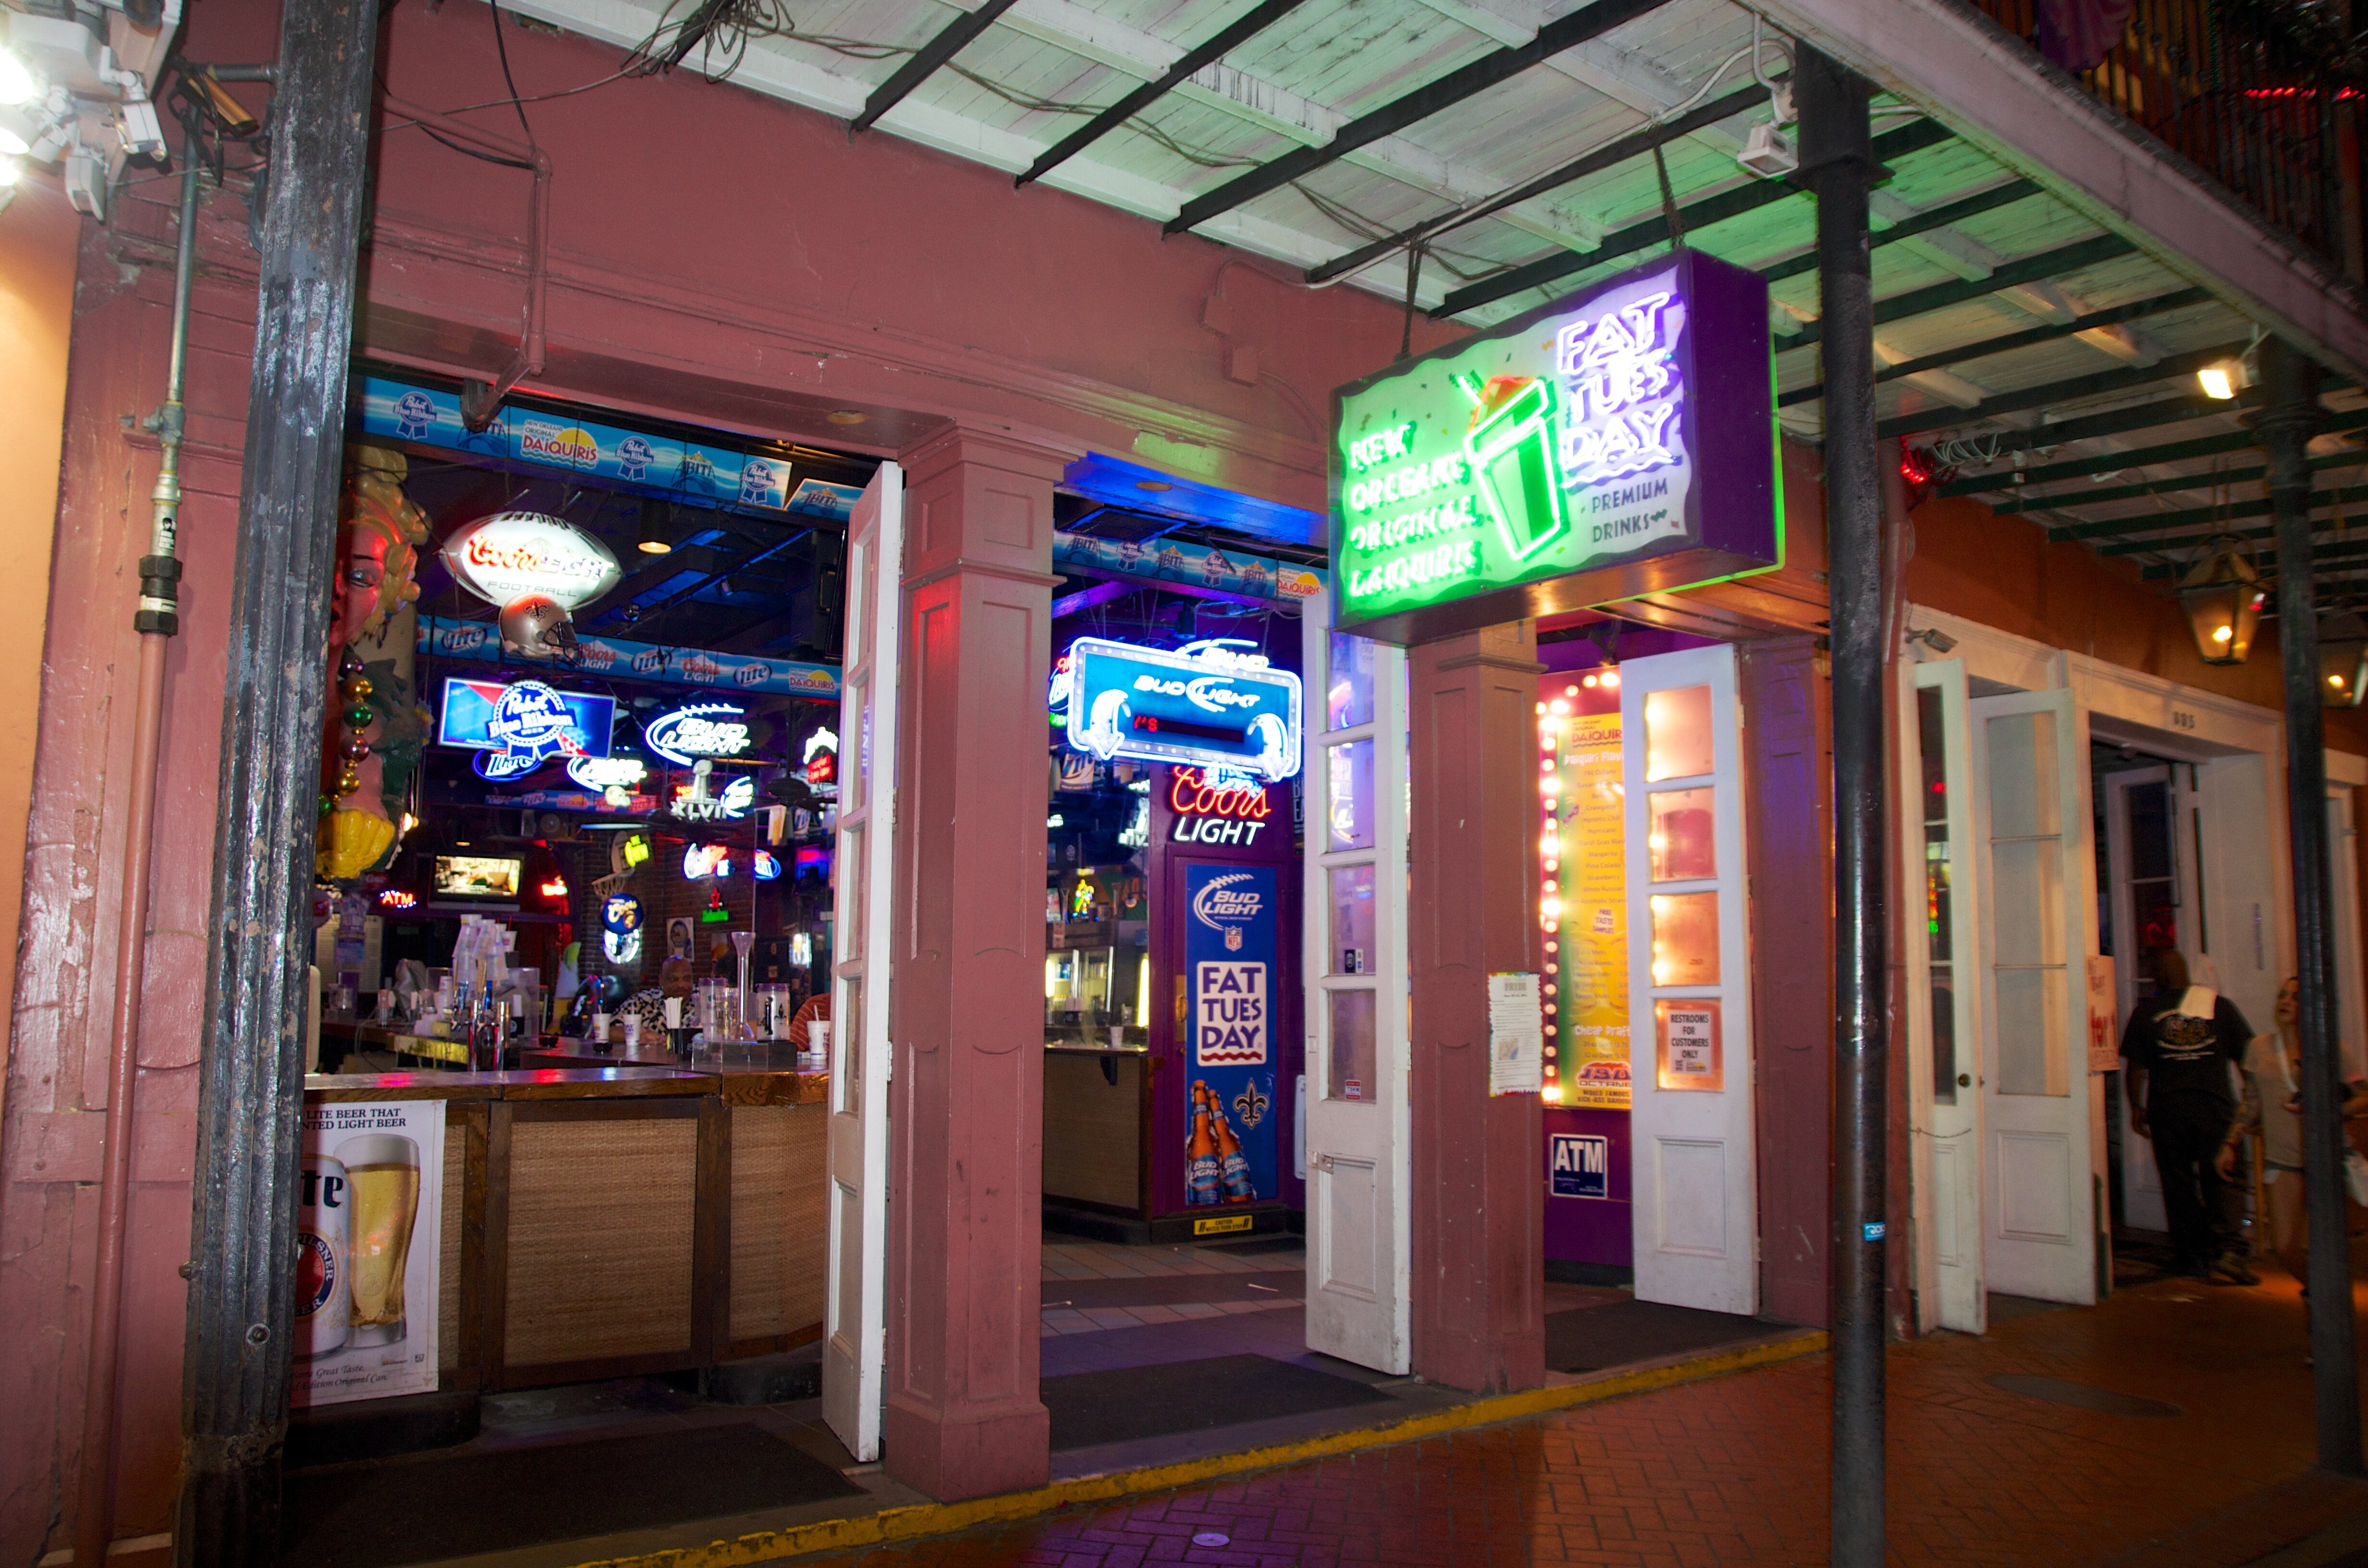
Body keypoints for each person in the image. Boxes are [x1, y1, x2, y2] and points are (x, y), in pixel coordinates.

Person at [2121, 946, 2257, 1282]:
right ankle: (2227, 1249)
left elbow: (2135, 1069)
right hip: (2215, 1108)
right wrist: (2250, 1104)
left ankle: (2191, 1253)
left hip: (2168, 1110)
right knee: (2223, 1177)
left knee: (2178, 1183)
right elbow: (2249, 1060)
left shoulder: (2147, 1012)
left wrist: (2136, 1107)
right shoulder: (2219, 1007)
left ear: (2159, 974)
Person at [2228, 975, 2368, 1288]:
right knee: (2285, 1248)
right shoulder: (2259, 1048)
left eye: (2296, 997)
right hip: (2283, 1159)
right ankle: (2319, 1294)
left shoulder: (2331, 1048)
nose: (2286, 1002)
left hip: (2325, 1157)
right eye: (2283, 995)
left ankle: (2329, 1300)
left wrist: (2329, 1112)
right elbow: (2251, 1102)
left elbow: (2363, 1096)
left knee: (2328, 1241)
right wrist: (2231, 1142)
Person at [617, 958, 694, 1038]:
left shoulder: (701, 1003)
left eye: (687, 979)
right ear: (661, 980)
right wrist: (641, 1036)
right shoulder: (641, 1002)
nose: (681, 985)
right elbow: (611, 1029)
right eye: (673, 979)